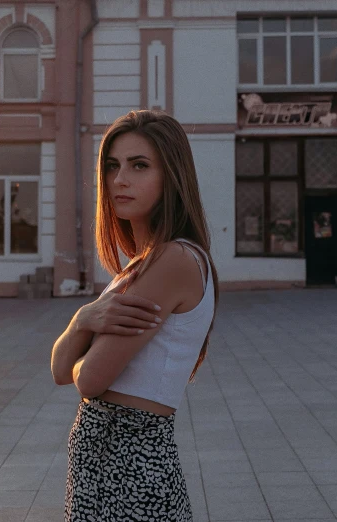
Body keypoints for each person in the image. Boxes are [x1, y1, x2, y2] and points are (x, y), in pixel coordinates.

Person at [51, 110, 219, 521]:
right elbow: (59, 368)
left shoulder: (174, 259)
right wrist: (83, 319)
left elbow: (88, 379)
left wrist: (83, 336)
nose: (119, 179)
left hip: (131, 469)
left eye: (139, 165)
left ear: (172, 176)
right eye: (112, 166)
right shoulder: (137, 266)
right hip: (109, 467)